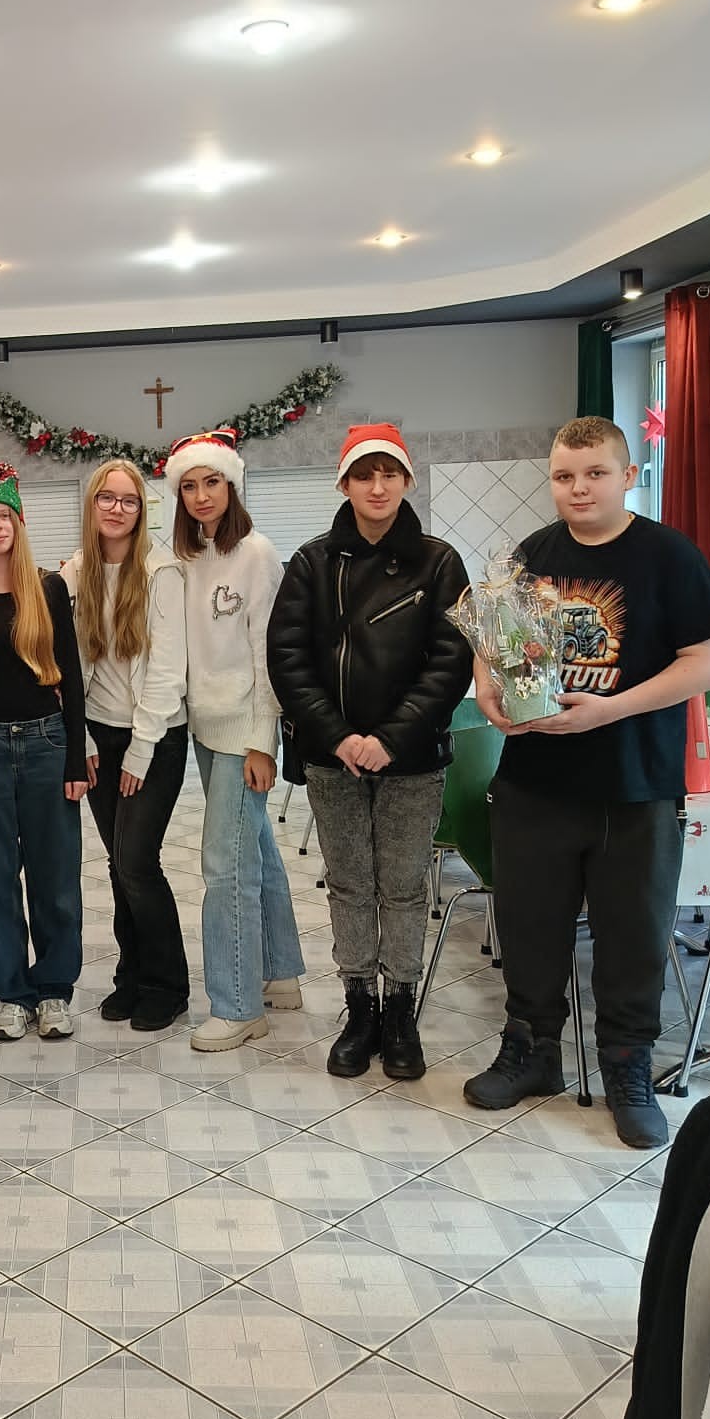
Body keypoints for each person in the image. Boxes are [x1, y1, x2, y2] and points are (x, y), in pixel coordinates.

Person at [463, 415, 710, 1148]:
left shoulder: (669, 556)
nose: (579, 488)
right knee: (529, 929)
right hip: (535, 783)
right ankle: (532, 1051)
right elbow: (494, 642)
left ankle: (627, 1068)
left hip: (635, 785)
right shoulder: (531, 555)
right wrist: (487, 687)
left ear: (627, 476)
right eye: (564, 476)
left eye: (595, 473)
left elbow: (707, 660)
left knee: (633, 937)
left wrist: (612, 709)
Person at [267, 423, 471, 1081]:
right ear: (344, 484)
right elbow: (288, 659)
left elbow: (451, 661)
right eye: (363, 475)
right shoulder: (312, 562)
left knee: (405, 888)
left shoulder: (439, 562)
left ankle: (400, 1011)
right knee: (351, 883)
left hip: (411, 758)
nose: (377, 487)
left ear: (406, 480)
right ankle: (360, 1008)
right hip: (334, 757)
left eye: (388, 474)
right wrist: (338, 736)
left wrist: (391, 737)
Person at [168, 428, 304, 1051]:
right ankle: (279, 973)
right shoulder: (185, 556)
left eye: (213, 482)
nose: (202, 496)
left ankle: (238, 1004)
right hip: (204, 725)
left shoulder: (257, 553)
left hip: (243, 732)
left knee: (225, 867)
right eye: (190, 486)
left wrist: (261, 742)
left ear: (232, 485)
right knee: (256, 849)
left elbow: (266, 653)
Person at [0, 463, 87, 1039]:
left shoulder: (49, 588)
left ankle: (53, 990)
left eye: (5, 516)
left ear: (19, 524)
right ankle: (12, 993)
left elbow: (71, 675)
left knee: (56, 877)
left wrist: (76, 759)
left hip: (47, 743)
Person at [61, 460, 189, 1030]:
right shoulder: (76, 572)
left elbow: (167, 670)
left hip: (155, 736)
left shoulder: (162, 572)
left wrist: (141, 749)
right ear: (92, 505)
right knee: (118, 863)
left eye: (129, 500)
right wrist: (85, 736)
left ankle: (168, 985)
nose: (117, 509)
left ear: (142, 511)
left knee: (137, 861)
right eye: (106, 499)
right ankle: (130, 977)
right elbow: (68, 666)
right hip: (99, 736)